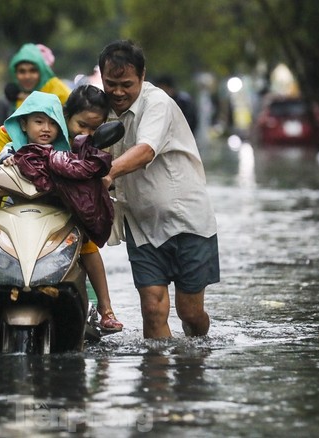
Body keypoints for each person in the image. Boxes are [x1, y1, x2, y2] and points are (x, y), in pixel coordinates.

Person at [0, 88, 123, 332]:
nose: (45, 128)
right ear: (23, 124)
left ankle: (106, 309)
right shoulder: (10, 149)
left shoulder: (67, 155)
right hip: (14, 212)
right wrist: (3, 168)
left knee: (87, 244)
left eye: (52, 123)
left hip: (56, 214)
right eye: (39, 122)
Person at [98, 40, 219, 339]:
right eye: (110, 84)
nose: (117, 92)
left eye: (126, 84)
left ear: (142, 76)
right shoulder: (102, 109)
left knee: (190, 313)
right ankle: (156, 383)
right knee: (152, 311)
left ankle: (198, 355)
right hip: (141, 225)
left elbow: (146, 150)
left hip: (187, 222)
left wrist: (108, 173)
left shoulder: (158, 103)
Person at [0, 43, 71, 128]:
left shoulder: (59, 92)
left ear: (42, 72)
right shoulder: (7, 102)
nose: (27, 76)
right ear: (15, 74)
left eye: (33, 71)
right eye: (22, 71)